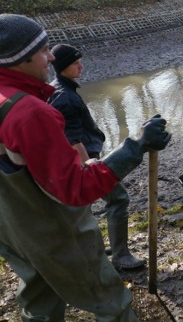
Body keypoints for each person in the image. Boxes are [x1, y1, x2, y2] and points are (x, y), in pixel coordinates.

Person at [0, 13, 171, 321]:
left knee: (40, 301)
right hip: (52, 232)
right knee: (109, 301)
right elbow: (75, 189)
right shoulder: (29, 112)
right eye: (43, 50)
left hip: (10, 229)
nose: (50, 57)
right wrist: (138, 145)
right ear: (17, 60)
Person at [48, 44, 144, 270]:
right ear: (62, 67)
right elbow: (73, 141)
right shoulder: (65, 98)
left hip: (75, 161)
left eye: (80, 61)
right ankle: (121, 256)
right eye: (75, 63)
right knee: (118, 199)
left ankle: (95, 247)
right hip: (84, 160)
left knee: (84, 208)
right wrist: (89, 168)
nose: (81, 66)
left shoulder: (56, 89)